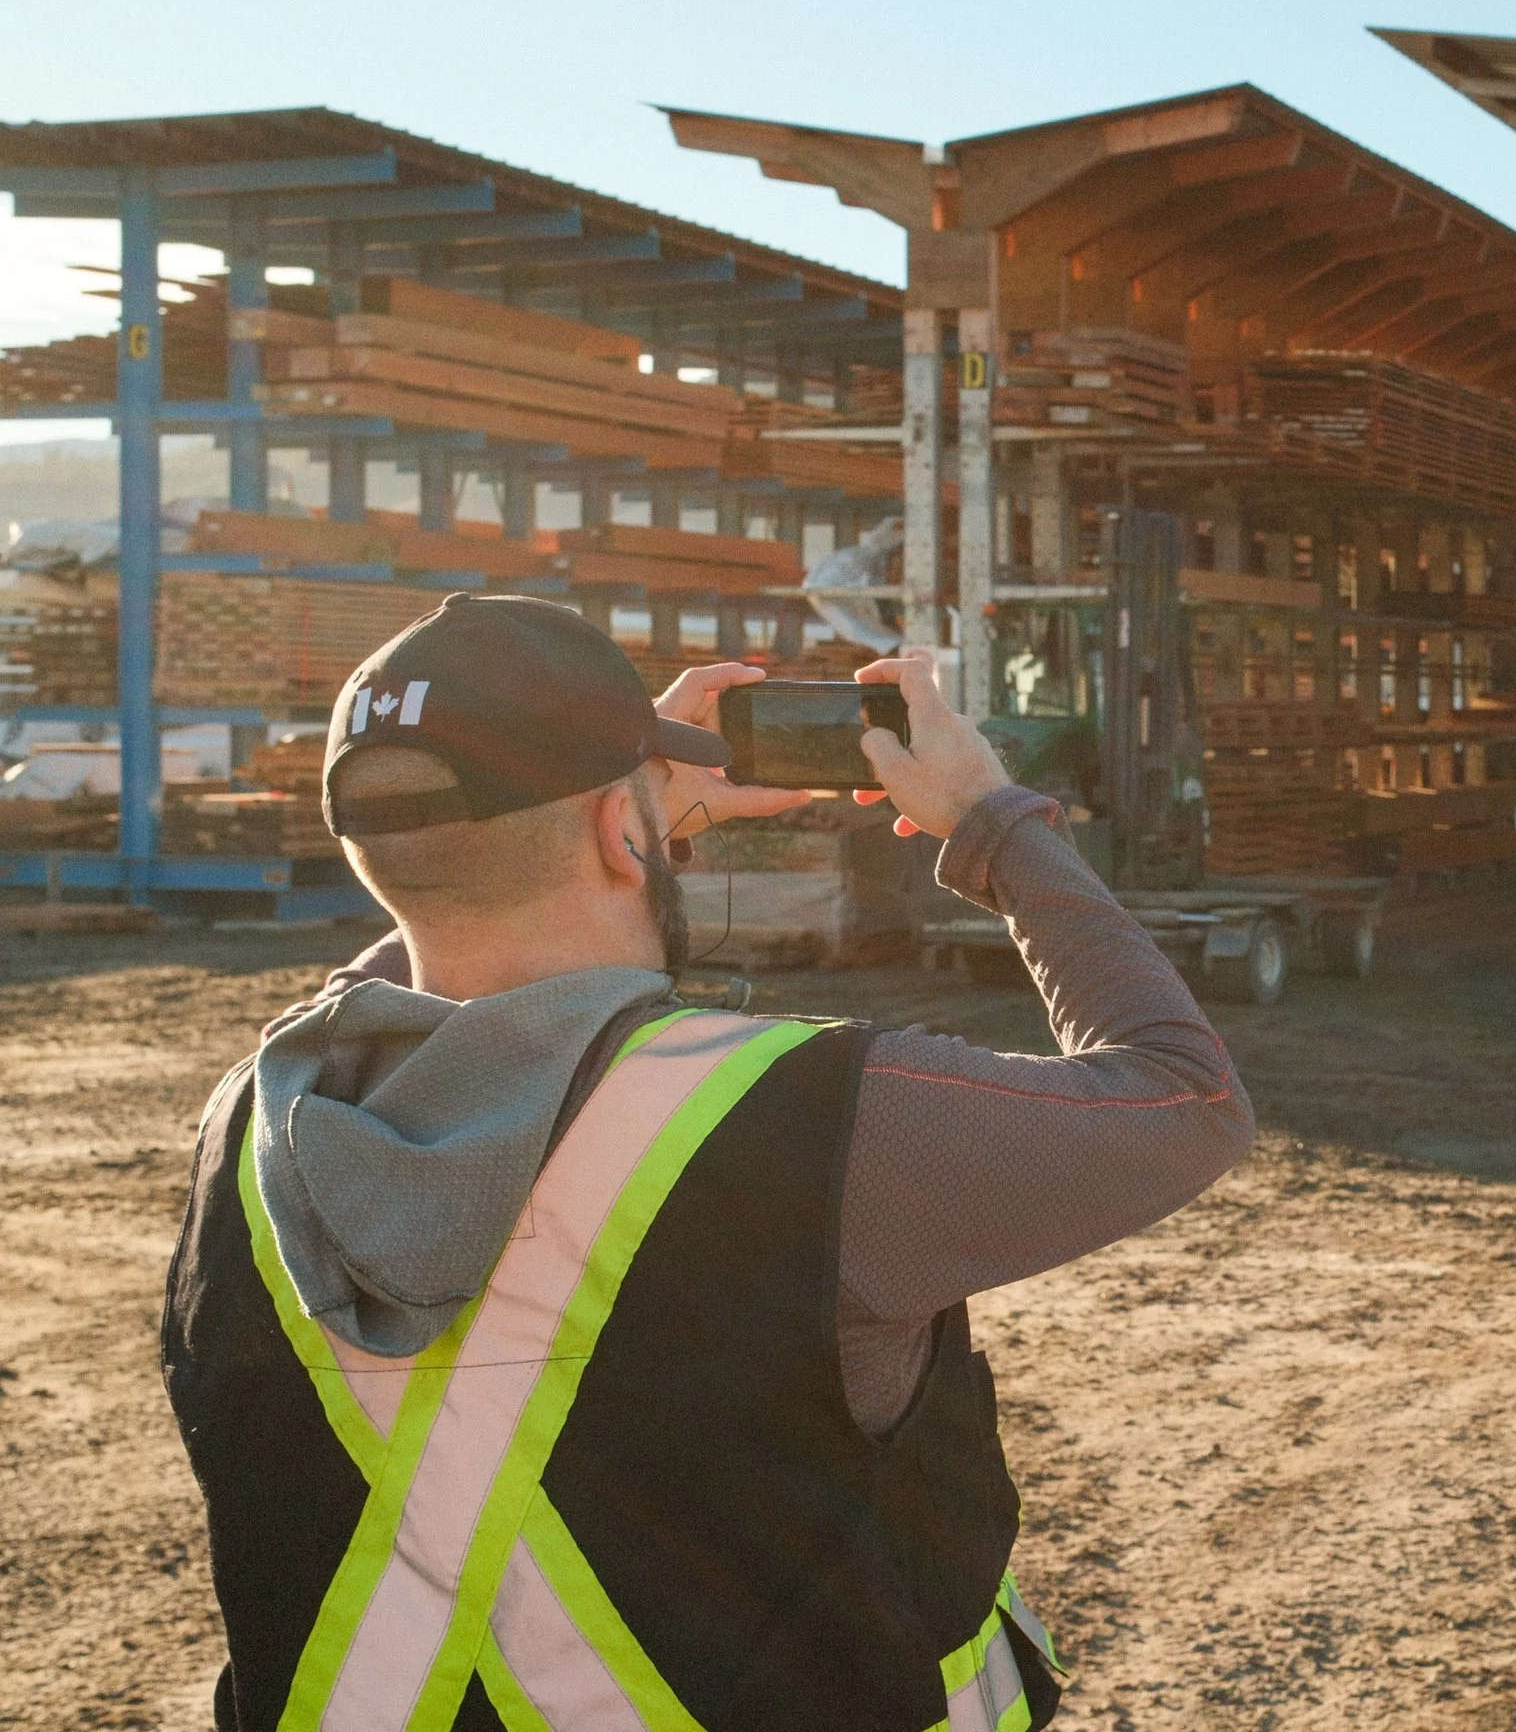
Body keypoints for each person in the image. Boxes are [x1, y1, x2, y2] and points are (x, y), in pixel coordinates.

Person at [161, 594, 1256, 1731]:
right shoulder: (806, 1120)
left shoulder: (254, 1127)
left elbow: (425, 934)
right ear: (618, 833)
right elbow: (1187, 1096)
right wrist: (994, 819)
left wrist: (592, 823)